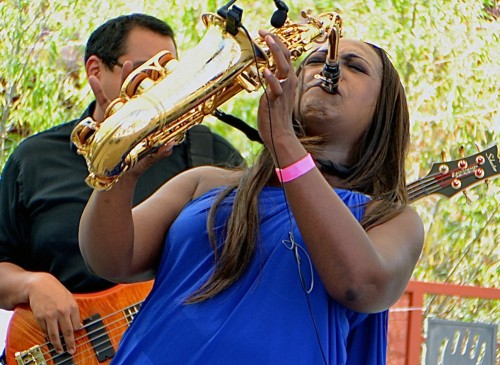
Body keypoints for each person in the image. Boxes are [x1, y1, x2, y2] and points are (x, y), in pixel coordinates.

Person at [78, 30, 425, 364]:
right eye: (315, 60)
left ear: (384, 110)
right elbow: (110, 260)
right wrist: (121, 166)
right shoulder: (203, 183)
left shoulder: (392, 219)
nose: (329, 68)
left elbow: (361, 285)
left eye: (356, 66)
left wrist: (286, 144)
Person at [0, 13, 243, 359]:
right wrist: (32, 284)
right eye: (146, 72)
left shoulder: (210, 153)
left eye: (171, 74)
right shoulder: (34, 158)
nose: (162, 85)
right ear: (96, 70)